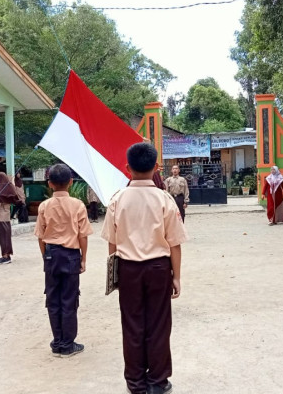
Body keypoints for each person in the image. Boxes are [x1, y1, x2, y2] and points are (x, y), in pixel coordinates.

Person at [101, 143, 188, 394]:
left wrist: (116, 274)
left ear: (127, 168)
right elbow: (175, 244)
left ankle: (136, 382)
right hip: (159, 268)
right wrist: (177, 276)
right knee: (159, 325)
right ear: (157, 168)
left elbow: (112, 243)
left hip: (128, 269)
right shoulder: (165, 199)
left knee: (132, 324)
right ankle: (158, 381)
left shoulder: (117, 199)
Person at [34, 164, 93, 358]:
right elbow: (83, 236)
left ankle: (57, 341)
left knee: (53, 299)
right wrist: (83, 258)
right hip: (70, 255)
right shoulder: (78, 205)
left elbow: (40, 237)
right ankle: (67, 344)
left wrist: (45, 256)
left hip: (51, 254)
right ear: (70, 182)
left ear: (49, 183)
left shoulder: (44, 206)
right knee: (69, 299)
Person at [0, 172, 20, 265]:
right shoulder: (8, 187)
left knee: (3, 238)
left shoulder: (0, 190)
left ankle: (5, 256)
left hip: (0, 218)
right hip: (6, 218)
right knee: (6, 237)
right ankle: (7, 255)